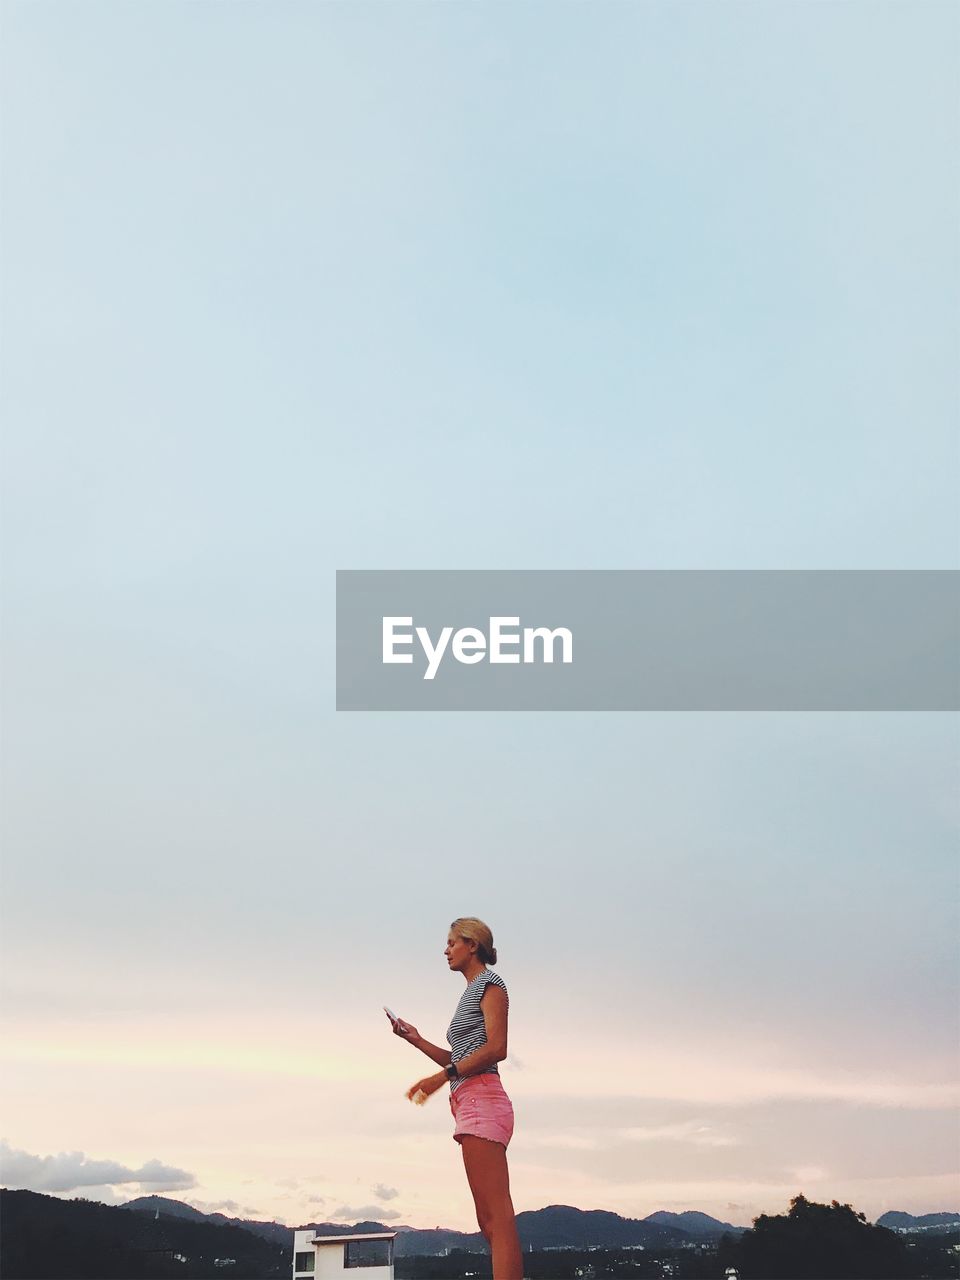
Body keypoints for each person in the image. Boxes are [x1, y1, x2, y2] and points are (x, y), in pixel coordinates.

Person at [391, 916, 524, 1280]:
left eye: (452, 942)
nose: (446, 950)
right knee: (487, 1220)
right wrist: (415, 1040)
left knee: (497, 1217)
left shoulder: (491, 984)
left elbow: (497, 1048)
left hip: (483, 1098)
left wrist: (440, 1078)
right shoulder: (470, 991)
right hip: (468, 1100)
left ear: (473, 945)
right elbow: (459, 1059)